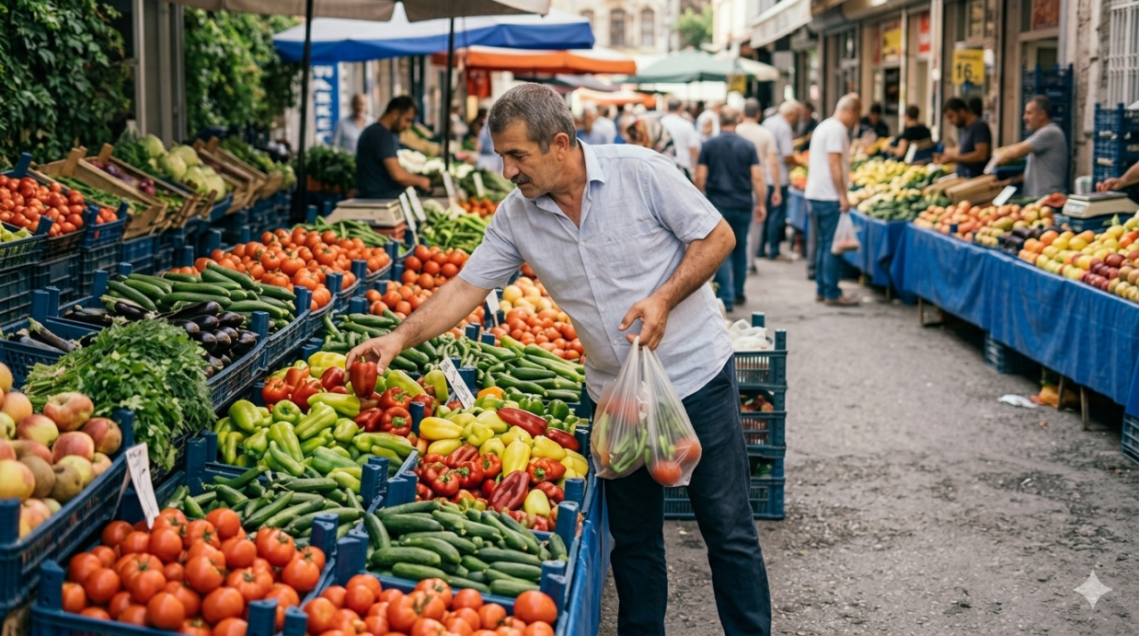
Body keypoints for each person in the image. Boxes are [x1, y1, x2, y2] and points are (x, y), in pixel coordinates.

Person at [346, 83, 773, 636]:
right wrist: (398, 339)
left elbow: (717, 236)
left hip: (694, 377)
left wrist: (664, 297)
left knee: (728, 528)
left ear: (562, 145)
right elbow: (465, 288)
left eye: (518, 155)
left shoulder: (641, 172)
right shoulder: (516, 216)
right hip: (612, 394)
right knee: (635, 539)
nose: (507, 170)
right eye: (501, 155)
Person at [695, 107, 767, 311]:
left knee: (720, 250)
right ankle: (738, 292)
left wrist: (701, 200)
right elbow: (757, 177)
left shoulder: (709, 145)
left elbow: (700, 176)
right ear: (739, 119)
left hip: (718, 205)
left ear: (719, 120)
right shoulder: (748, 146)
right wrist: (761, 203)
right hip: (743, 202)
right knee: (740, 247)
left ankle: (726, 297)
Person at [805, 95, 862, 306]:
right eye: (856, 117)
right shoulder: (837, 130)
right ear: (850, 112)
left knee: (824, 243)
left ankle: (822, 288)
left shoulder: (823, 126)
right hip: (828, 195)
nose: (855, 122)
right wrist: (843, 196)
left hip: (816, 193)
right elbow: (834, 163)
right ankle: (831, 292)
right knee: (832, 246)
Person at [991, 95, 1069, 197]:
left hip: (1048, 199)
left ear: (1042, 114)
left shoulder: (1050, 132)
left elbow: (1015, 152)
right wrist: (1008, 182)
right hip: (1036, 199)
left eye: (1029, 113)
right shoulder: (1041, 136)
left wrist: (999, 153)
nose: (1024, 117)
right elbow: (1035, 172)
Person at [355, 96, 430, 199]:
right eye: (407, 120)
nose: (407, 126)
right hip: (378, 199)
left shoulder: (374, 131)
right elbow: (398, 175)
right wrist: (421, 181)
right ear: (395, 113)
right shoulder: (381, 134)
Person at [737, 98, 784, 261]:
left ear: (742, 114)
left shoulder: (736, 131)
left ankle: (738, 257)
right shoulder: (765, 134)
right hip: (760, 182)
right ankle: (750, 260)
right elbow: (773, 163)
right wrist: (777, 188)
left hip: (737, 183)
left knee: (737, 223)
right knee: (757, 221)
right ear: (759, 114)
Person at [765, 101, 805, 262]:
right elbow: (787, 155)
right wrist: (802, 163)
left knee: (767, 214)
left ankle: (762, 249)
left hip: (766, 174)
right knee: (777, 215)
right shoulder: (784, 127)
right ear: (791, 114)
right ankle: (774, 250)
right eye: (797, 116)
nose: (797, 120)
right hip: (778, 177)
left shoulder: (769, 122)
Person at [935, 97, 992, 178]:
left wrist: (954, 159)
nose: (950, 121)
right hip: (962, 176)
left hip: (974, 178)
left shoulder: (980, 126)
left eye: (951, 116)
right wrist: (945, 157)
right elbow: (962, 151)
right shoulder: (965, 128)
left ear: (961, 112)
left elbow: (981, 155)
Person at [660, 98, 702, 179]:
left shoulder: (660, 124)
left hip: (663, 168)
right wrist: (697, 169)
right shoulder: (686, 125)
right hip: (683, 169)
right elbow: (693, 148)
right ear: (681, 108)